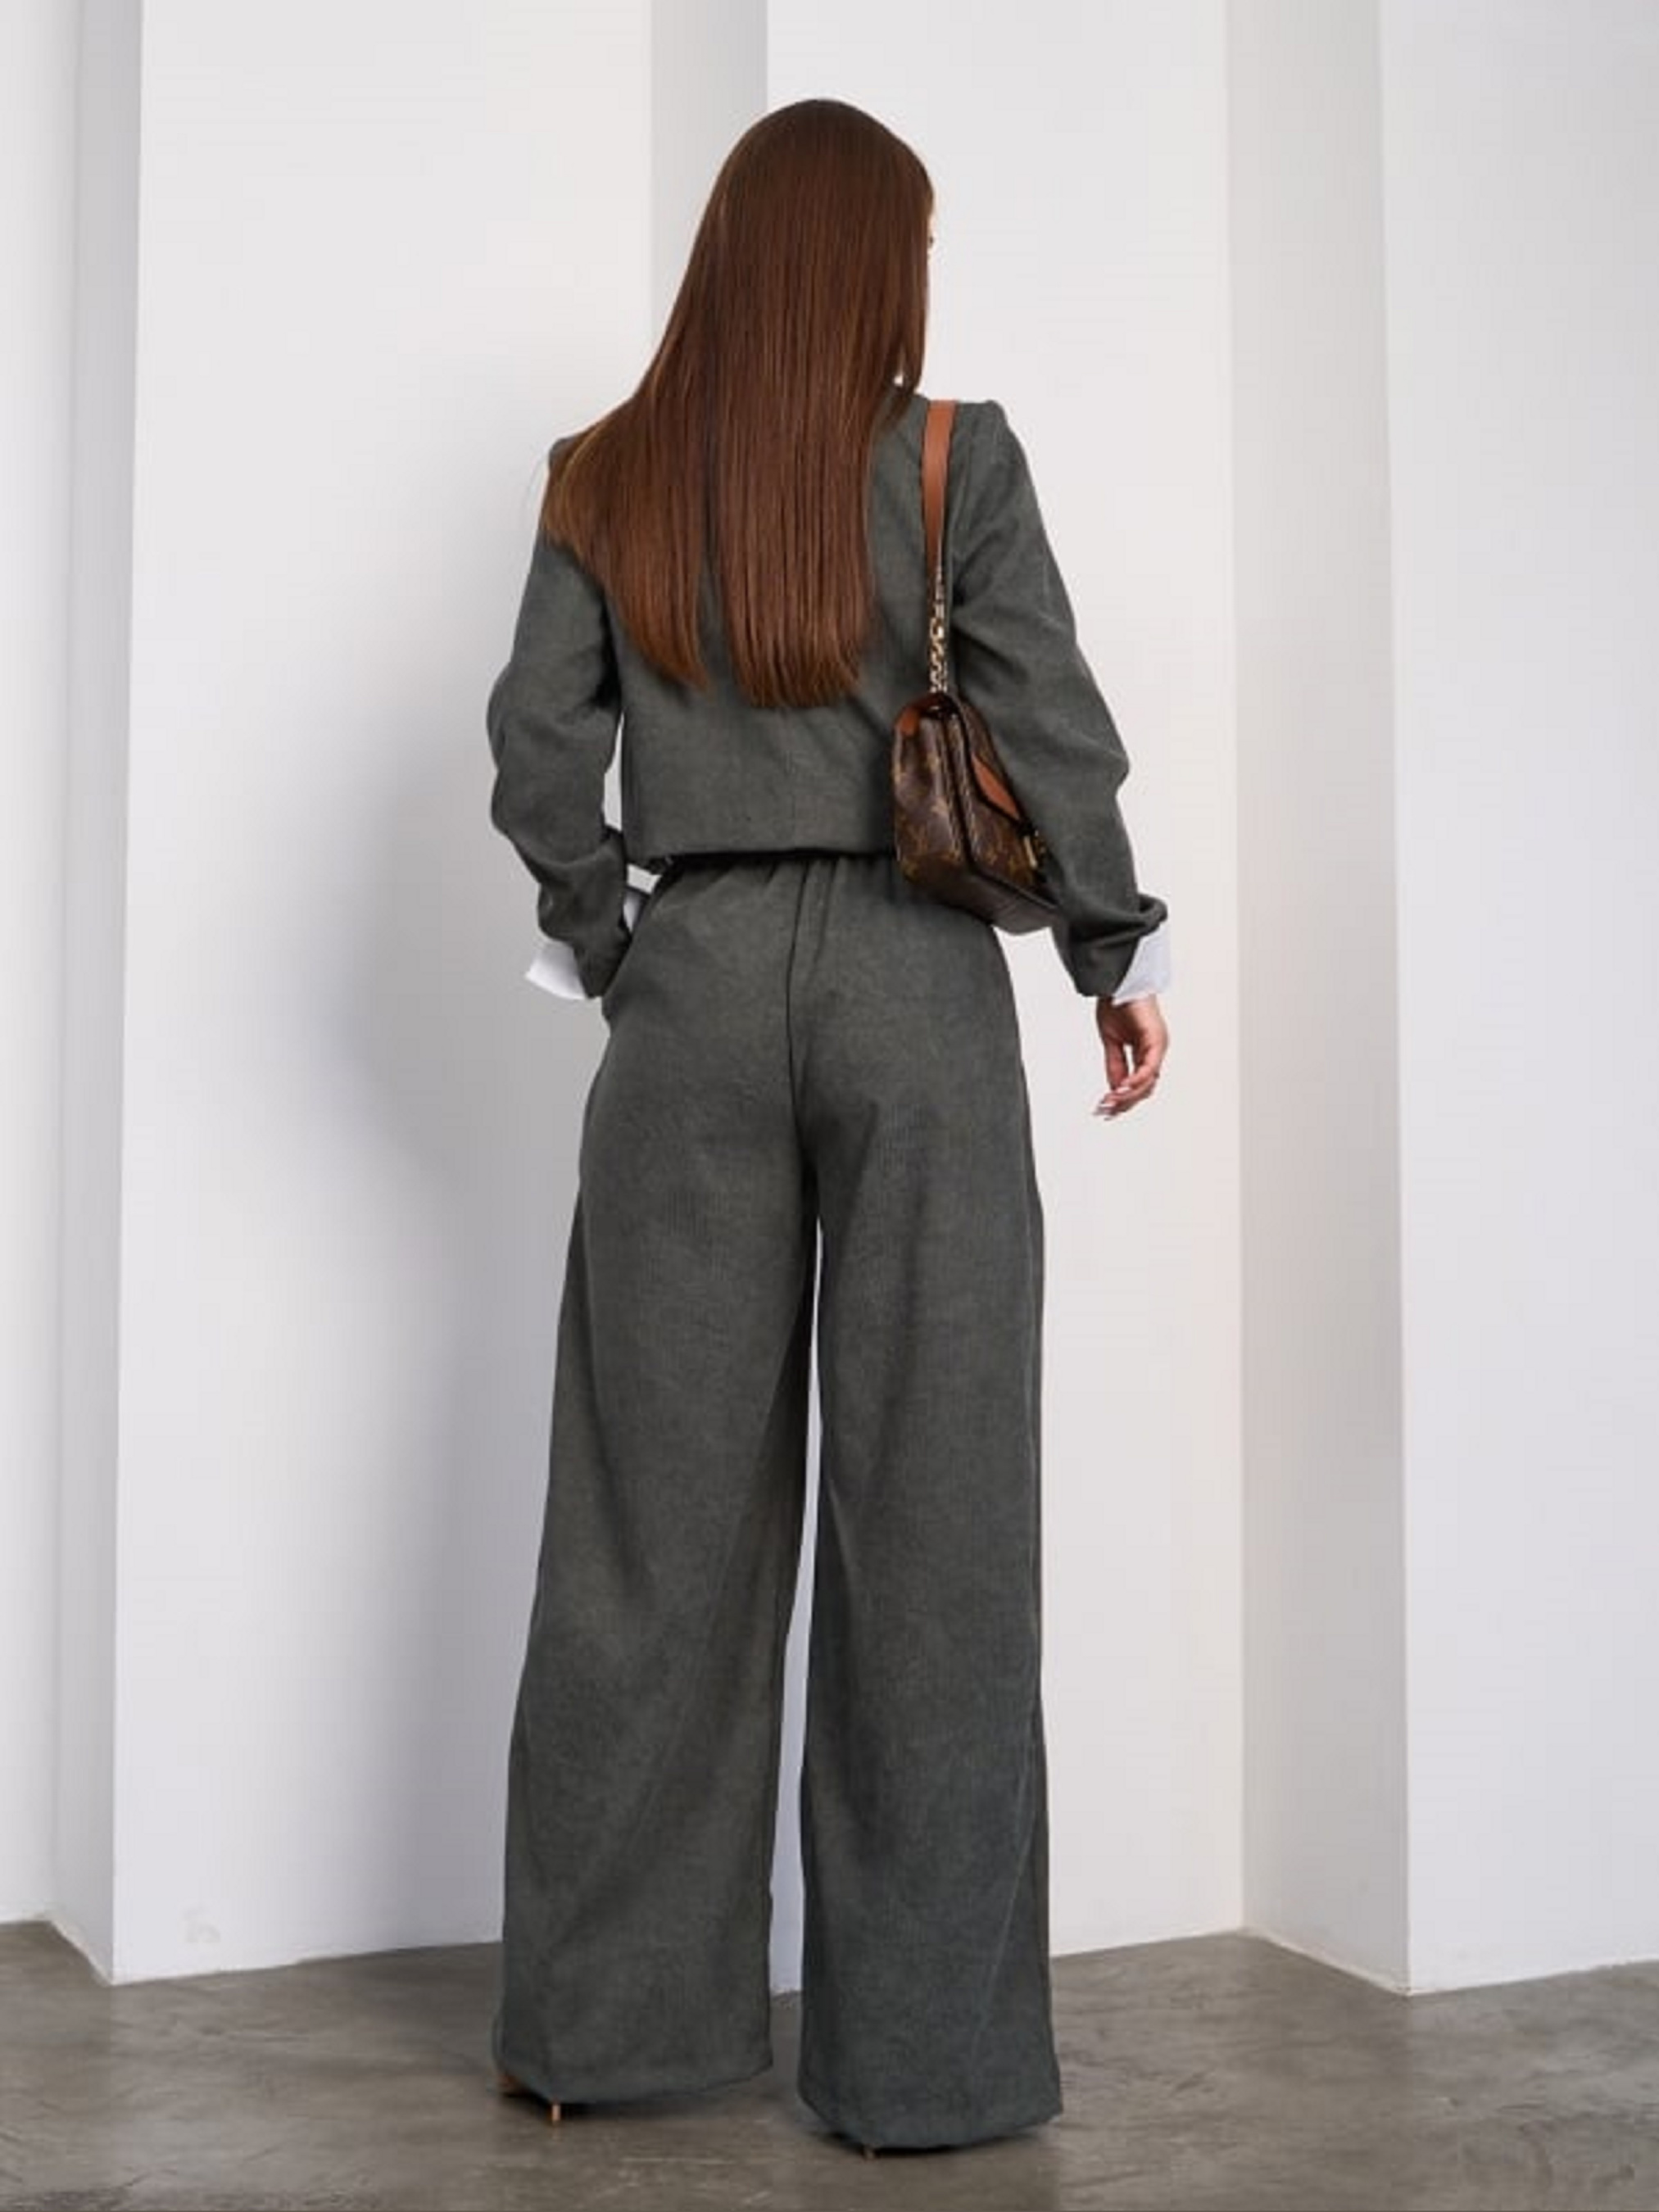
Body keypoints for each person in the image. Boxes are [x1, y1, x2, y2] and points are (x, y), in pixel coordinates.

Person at [483, 97, 1169, 2157]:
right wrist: (1113, 950)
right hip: (912, 990)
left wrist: (615, 943)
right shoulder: (953, 459)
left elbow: (537, 761)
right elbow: (1046, 728)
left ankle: (598, 2033)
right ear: (875, 261)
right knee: (936, 1529)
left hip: (687, 996)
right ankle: (924, 2074)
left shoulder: (599, 474)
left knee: (648, 1532)